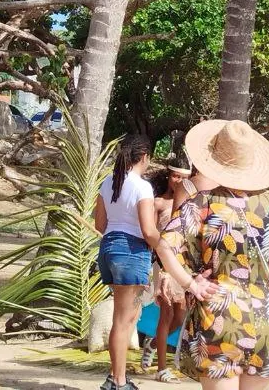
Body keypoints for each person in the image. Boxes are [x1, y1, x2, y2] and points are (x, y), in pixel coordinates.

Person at [155, 119, 269, 389]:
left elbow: (164, 245)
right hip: (267, 318)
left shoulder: (204, 202)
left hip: (220, 314)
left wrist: (189, 283)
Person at [95, 134, 161, 390]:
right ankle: (118, 381)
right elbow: (148, 229)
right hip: (131, 251)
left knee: (130, 316)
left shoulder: (108, 182)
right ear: (144, 157)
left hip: (109, 248)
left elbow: (100, 225)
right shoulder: (142, 186)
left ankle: (117, 374)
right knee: (123, 320)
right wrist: (165, 246)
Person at [143, 161, 192, 383]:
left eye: (183, 178)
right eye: (175, 177)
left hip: (185, 265)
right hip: (164, 264)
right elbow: (150, 235)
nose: (178, 182)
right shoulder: (159, 203)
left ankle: (153, 344)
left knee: (179, 317)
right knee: (166, 314)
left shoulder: (191, 203)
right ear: (169, 177)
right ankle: (162, 368)